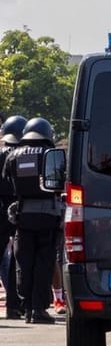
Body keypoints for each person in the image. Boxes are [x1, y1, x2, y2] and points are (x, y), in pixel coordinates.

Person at [4, 118, 61, 323]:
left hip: (23, 217)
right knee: (43, 263)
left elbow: (10, 184)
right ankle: (39, 309)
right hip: (48, 217)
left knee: (24, 264)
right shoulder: (51, 154)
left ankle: (27, 308)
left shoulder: (12, 156)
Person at [0, 115, 23, 318]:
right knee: (17, 259)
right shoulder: (22, 155)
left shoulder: (2, 154)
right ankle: (14, 306)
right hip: (18, 209)